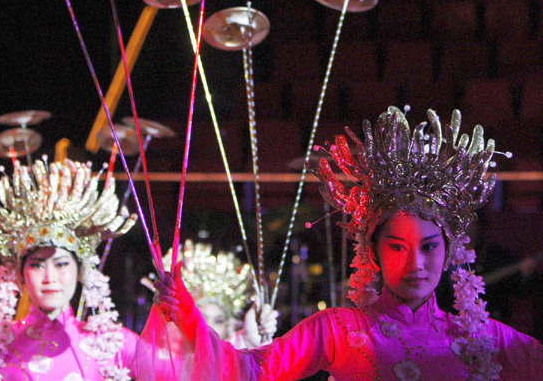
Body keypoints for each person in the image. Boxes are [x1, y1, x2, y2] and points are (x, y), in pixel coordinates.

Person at [155, 106, 543, 380]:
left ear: (450, 249)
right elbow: (251, 371)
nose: (416, 264)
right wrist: (189, 317)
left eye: (428, 246)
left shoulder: (486, 338)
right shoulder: (338, 330)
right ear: (372, 252)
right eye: (397, 246)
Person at [0, 158, 149, 380]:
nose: (50, 277)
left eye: (61, 264)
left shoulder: (112, 343)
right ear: (19, 276)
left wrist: (180, 313)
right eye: (37, 264)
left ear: (80, 271)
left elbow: (181, 372)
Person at [143, 239, 278, 349]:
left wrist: (248, 341)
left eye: (218, 321)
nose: (209, 328)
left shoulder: (237, 367)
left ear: (229, 327)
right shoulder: (164, 362)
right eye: (201, 318)